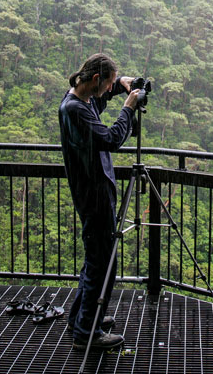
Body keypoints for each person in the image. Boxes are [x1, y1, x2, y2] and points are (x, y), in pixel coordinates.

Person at [58, 53, 140, 350]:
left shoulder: (80, 101)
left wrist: (121, 84)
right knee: (103, 263)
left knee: (96, 260)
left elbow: (100, 100)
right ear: (95, 80)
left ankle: (83, 317)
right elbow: (110, 139)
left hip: (92, 192)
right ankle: (86, 334)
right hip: (94, 196)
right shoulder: (75, 110)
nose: (108, 90)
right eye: (106, 84)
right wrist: (128, 109)